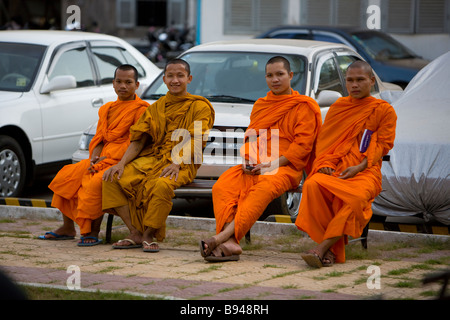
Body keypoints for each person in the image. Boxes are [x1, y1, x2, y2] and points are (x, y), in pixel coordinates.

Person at [200, 56, 322, 262]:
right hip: (256, 164)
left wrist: (273, 164)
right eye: (270, 75)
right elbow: (251, 136)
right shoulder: (261, 105)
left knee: (261, 190)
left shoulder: (304, 106)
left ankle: (222, 237)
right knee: (222, 187)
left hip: (285, 167)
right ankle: (231, 243)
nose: (275, 79)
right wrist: (248, 161)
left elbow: (303, 146)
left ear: (290, 76)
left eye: (280, 74)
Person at [102, 59, 215, 253]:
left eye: (180, 76)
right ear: (164, 79)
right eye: (170, 76)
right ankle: (134, 232)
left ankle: (148, 234)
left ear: (189, 79)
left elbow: (196, 139)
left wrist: (177, 163)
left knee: (162, 184)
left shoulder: (199, 107)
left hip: (184, 163)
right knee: (111, 179)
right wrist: (121, 164)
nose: (175, 80)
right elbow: (138, 140)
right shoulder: (156, 107)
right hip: (154, 159)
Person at [295, 60, 397, 268]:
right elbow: (325, 142)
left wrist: (359, 167)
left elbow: (383, 146)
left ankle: (323, 248)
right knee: (313, 185)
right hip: (336, 169)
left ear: (371, 81)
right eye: (350, 80)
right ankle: (330, 250)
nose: (354, 85)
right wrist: (324, 163)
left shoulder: (383, 111)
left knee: (356, 198)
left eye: (360, 80)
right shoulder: (339, 107)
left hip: (365, 172)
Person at [40, 64, 149, 246]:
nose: (123, 86)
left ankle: (93, 231)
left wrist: (114, 160)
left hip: (123, 161)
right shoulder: (106, 109)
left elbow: (136, 143)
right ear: (113, 84)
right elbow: (99, 139)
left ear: (136, 85)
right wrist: (94, 159)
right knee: (66, 176)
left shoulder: (141, 110)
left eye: (128, 82)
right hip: (102, 159)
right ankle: (67, 227)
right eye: (119, 82)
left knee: (93, 184)